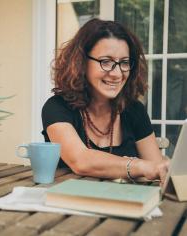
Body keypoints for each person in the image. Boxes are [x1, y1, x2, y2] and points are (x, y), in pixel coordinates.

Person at [41, 18, 169, 185]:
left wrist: (162, 167)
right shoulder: (56, 108)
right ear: (81, 62)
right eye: (106, 62)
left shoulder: (134, 110)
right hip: (69, 206)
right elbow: (81, 161)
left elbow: (157, 169)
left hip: (126, 206)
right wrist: (140, 166)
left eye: (124, 63)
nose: (117, 74)